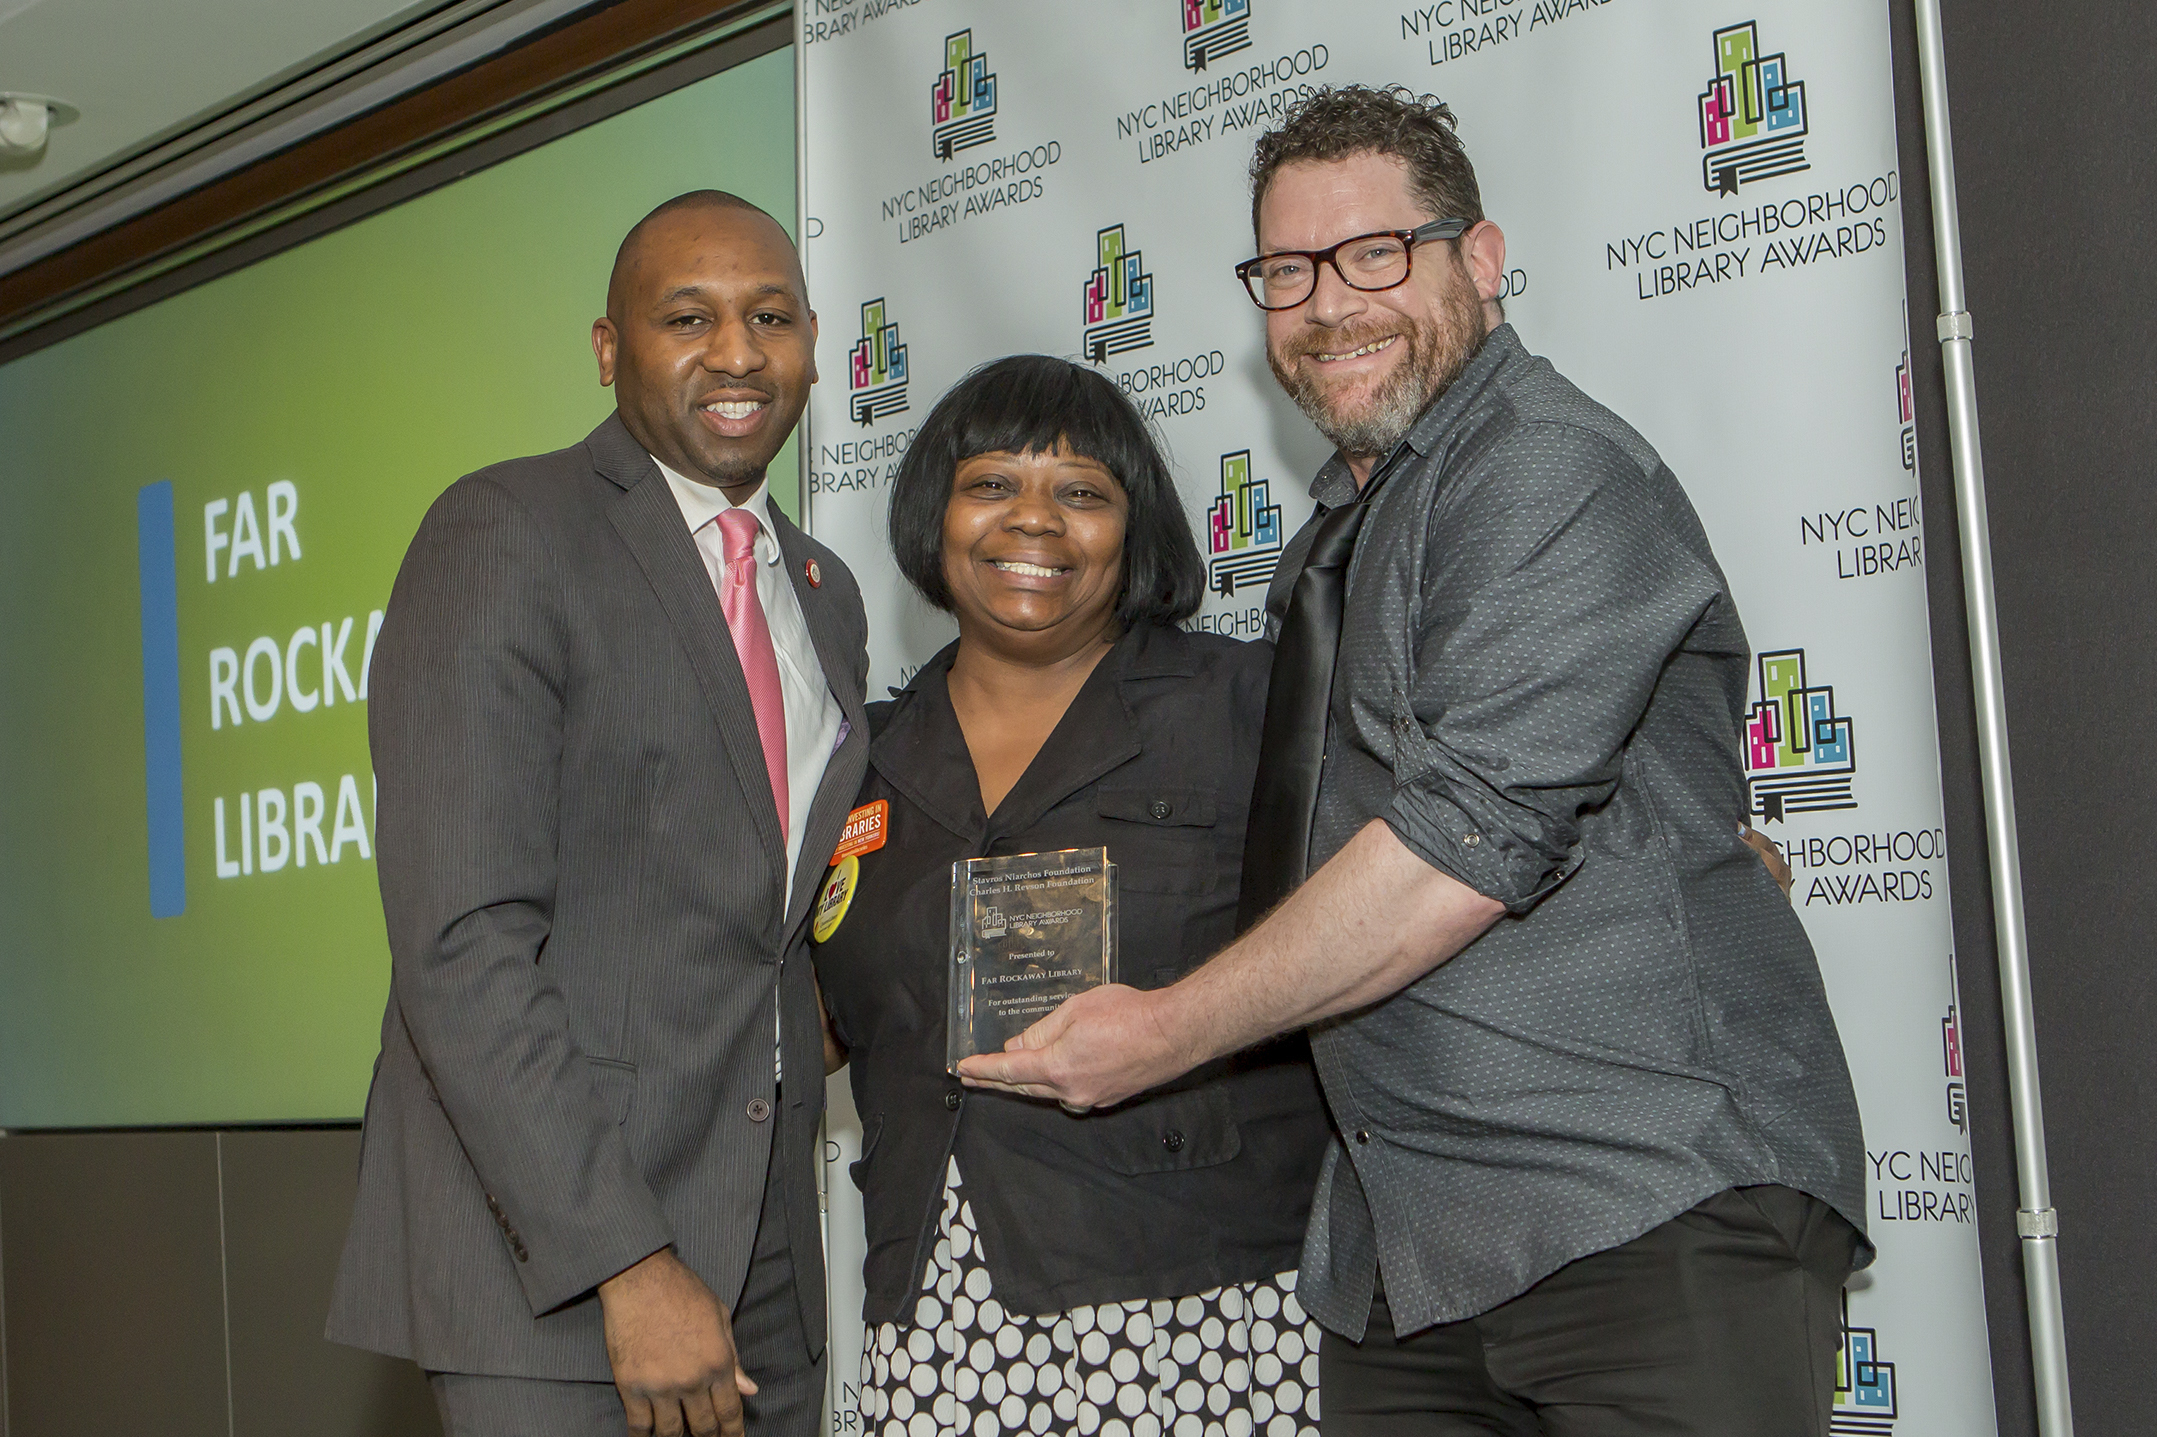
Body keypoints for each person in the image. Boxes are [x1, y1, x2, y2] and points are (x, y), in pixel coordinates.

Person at [960, 87, 1870, 1436]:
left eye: (1374, 253)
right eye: (1287, 270)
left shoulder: (1549, 468)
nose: (1328, 304)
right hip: (1408, 1254)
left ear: (1480, 259)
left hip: (1637, 1203)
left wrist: (1162, 1030)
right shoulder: (1341, 531)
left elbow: (1465, 841)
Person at [327, 190, 867, 1437]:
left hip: (768, 1255)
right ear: (609, 348)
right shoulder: (507, 532)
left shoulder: (823, 593)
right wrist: (629, 1261)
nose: (738, 353)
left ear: (812, 340)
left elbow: (769, 924)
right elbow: (460, 949)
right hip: (563, 1266)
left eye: (770, 316)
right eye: (689, 317)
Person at [810, 355, 1335, 1437]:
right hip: (935, 1320)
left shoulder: (1256, 706)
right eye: (991, 483)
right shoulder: (855, 757)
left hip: (1204, 1312)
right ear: (933, 514)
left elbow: (1402, 906)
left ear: (1133, 529)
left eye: (1083, 492)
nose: (1034, 522)